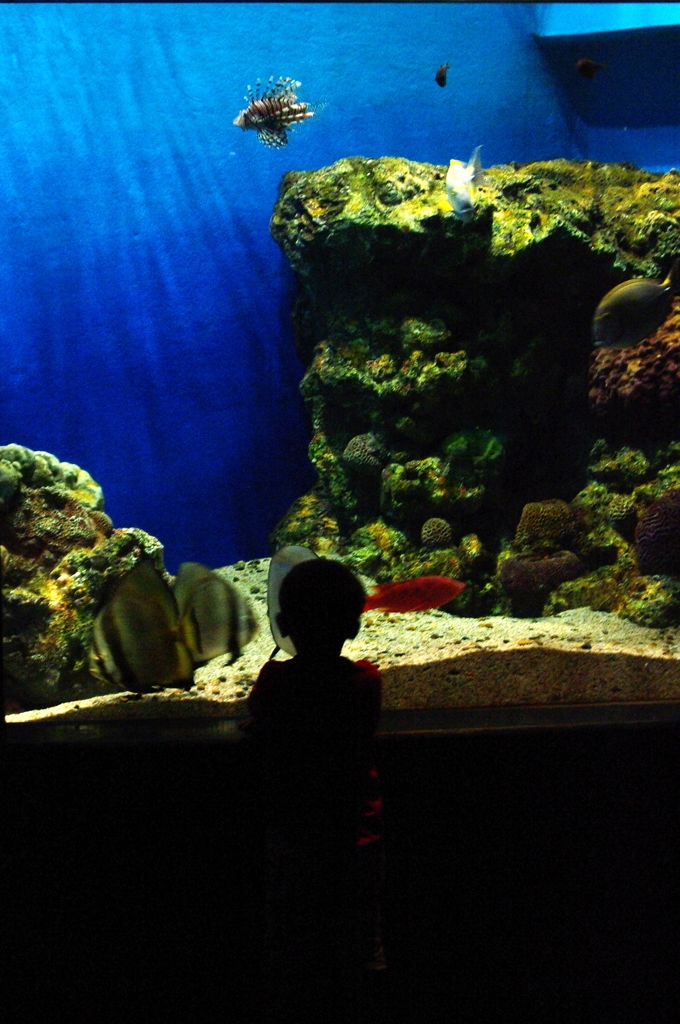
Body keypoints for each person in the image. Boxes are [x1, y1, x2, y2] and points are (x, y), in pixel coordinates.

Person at [242, 557, 385, 1024]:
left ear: (281, 625)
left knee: (292, 940)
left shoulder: (275, 680)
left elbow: (259, 722)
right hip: (354, 839)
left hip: (292, 839)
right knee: (357, 940)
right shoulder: (366, 681)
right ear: (355, 624)